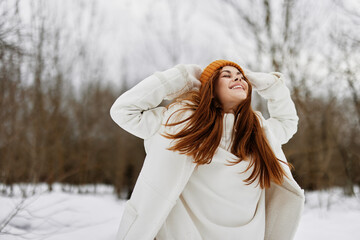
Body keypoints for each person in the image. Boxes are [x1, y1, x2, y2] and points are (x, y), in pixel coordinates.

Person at [110, 59, 305, 240]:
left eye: (241, 76)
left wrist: (272, 86)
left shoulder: (259, 132)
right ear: (210, 87)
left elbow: (287, 123)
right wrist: (183, 76)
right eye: (226, 75)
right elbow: (124, 110)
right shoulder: (178, 121)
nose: (237, 77)